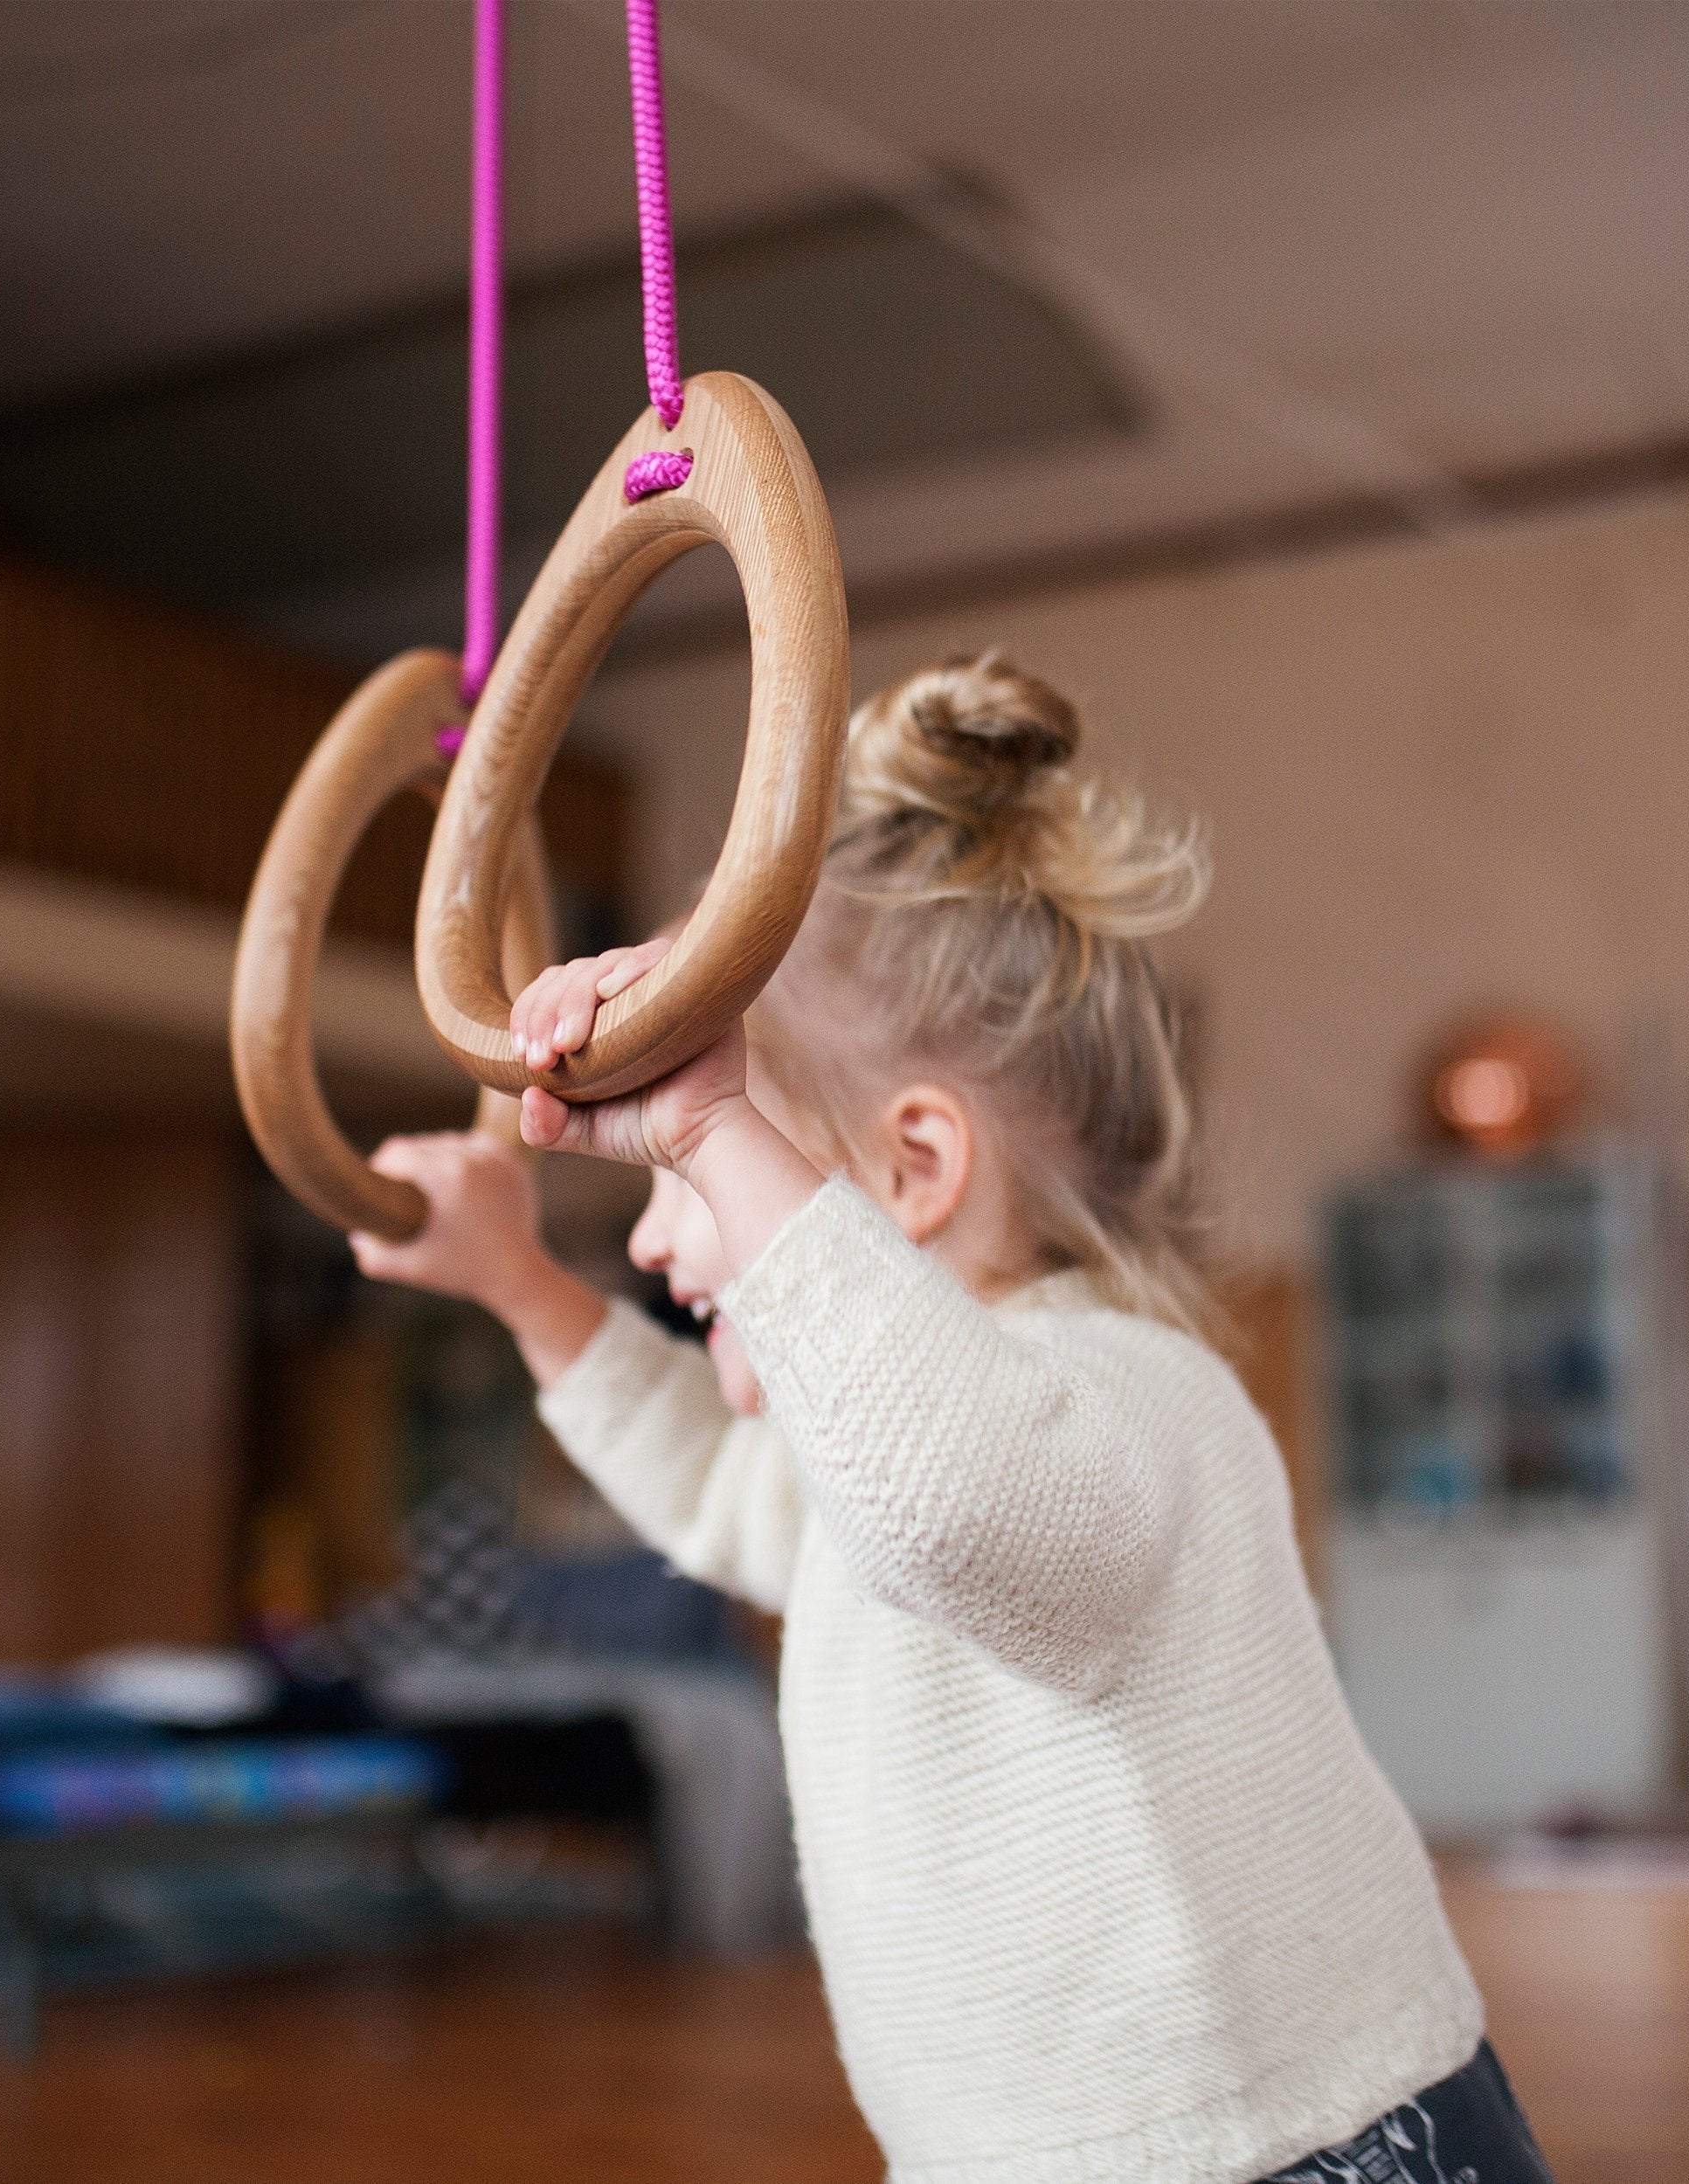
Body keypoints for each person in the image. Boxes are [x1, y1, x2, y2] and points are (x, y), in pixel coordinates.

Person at [356, 654, 1553, 2184]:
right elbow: (720, 1489)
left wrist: (715, 1127)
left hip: (1306, 2143)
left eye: (687, 1183)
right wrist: (524, 1288)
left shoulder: (1128, 1399)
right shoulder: (864, 1458)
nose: (655, 1243)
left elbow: (958, 1501)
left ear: (913, 1173)